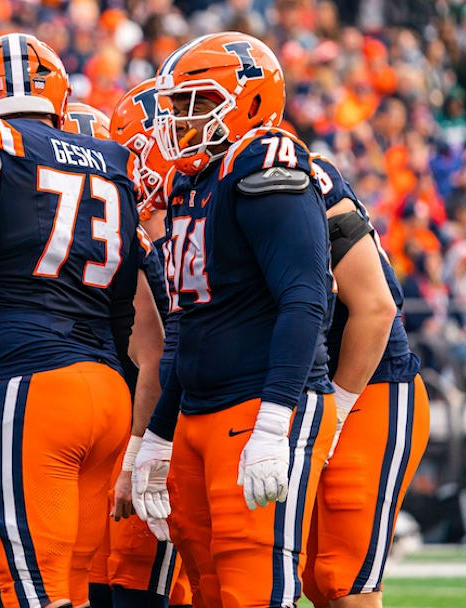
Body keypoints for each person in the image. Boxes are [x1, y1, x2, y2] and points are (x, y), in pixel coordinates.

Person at [0, 33, 164, 608]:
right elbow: (125, 308)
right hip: (106, 394)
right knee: (72, 586)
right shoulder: (113, 161)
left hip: (30, 385)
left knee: (29, 590)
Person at [131, 32, 336, 608]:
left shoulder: (267, 162)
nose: (182, 119)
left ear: (248, 102)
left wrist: (274, 423)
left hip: (256, 405)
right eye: (177, 106)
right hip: (198, 410)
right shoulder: (191, 183)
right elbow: (191, 328)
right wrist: (157, 437)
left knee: (254, 589)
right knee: (207, 592)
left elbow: (304, 299)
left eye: (197, 103)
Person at [302, 155, 430, 608]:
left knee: (346, 579)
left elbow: (377, 309)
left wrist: (336, 407)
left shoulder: (303, 175)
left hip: (369, 386)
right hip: (312, 393)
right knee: (312, 578)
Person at [90, 81, 193, 608]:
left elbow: (159, 355)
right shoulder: (142, 226)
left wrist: (141, 450)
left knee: (142, 582)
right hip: (129, 424)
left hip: (160, 426)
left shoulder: (171, 229)